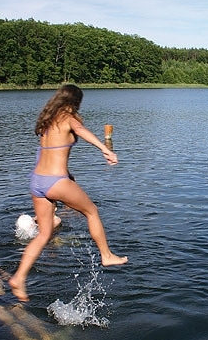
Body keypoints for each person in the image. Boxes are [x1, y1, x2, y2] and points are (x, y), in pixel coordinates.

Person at [9, 84, 128, 302]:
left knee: (44, 234)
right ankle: (107, 255)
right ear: (74, 101)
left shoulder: (47, 121)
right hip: (55, 181)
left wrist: (67, 175)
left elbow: (51, 154)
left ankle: (19, 278)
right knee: (92, 211)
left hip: (37, 181)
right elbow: (82, 132)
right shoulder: (68, 117)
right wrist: (106, 150)